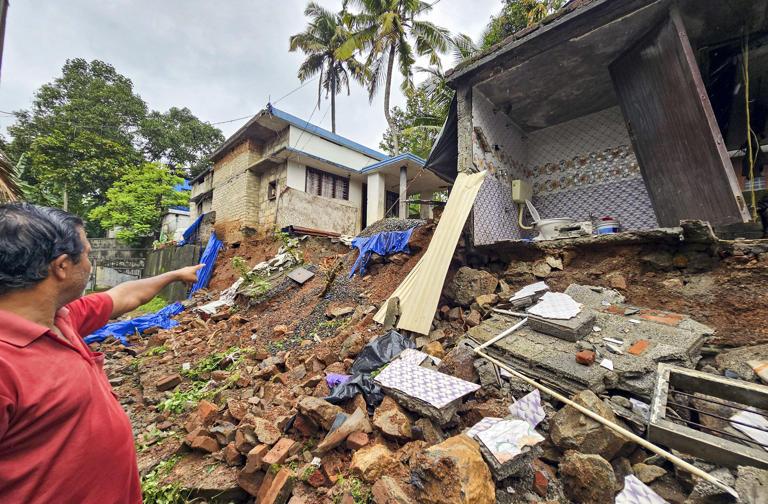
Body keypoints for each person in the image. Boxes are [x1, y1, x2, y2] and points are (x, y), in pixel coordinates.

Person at [0, 203, 204, 503]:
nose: (90, 264)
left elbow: (122, 296)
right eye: (87, 254)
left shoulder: (61, 317)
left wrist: (174, 274)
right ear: (61, 266)